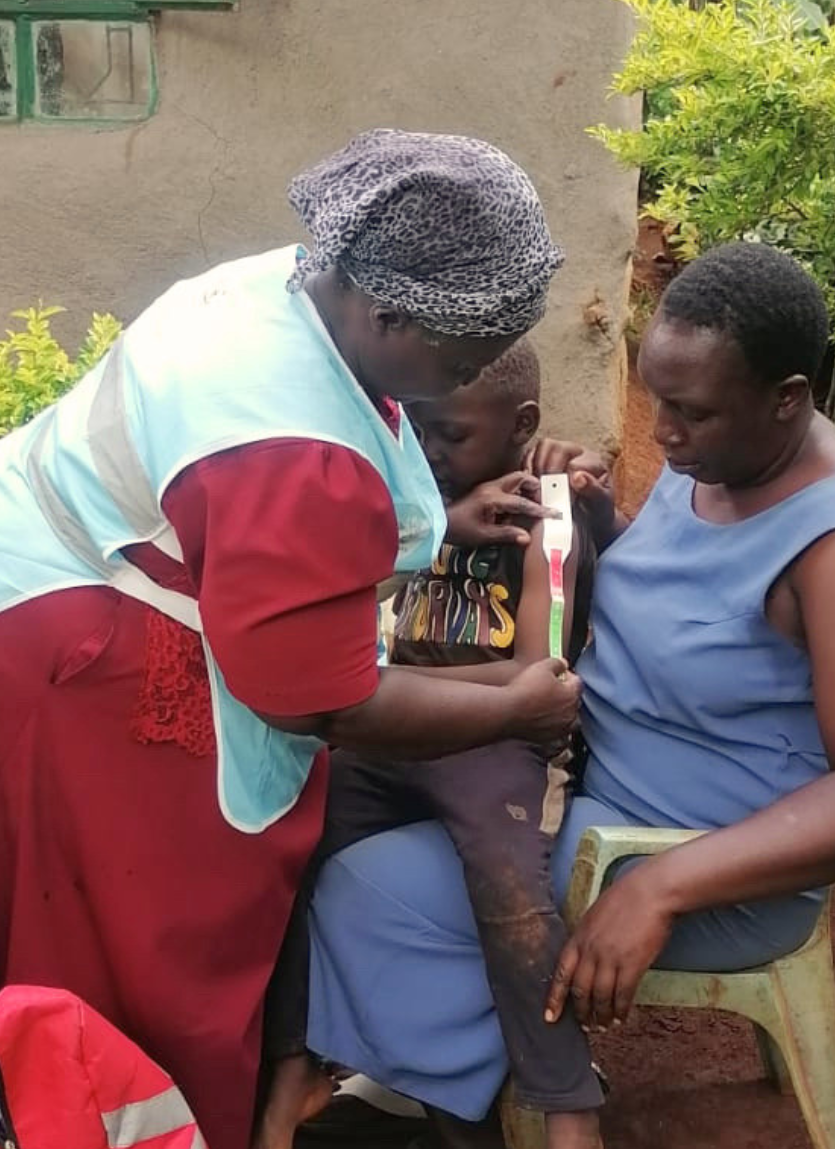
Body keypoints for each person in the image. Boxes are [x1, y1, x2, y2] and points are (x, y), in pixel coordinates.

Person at [0, 130, 583, 1149]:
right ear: (385, 309)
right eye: (464, 354)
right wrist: (516, 706)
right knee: (111, 944)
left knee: (9, 915)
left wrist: (440, 526)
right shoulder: (293, 456)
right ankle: (48, 1115)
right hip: (43, 650)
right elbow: (321, 701)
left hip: (1, 574)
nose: (471, 374)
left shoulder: (285, 286)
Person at [302, 242, 835, 1149]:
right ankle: (469, 1057)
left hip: (703, 857)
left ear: (787, 398)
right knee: (358, 797)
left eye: (689, 412)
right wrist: (598, 520)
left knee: (369, 888)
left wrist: (664, 886)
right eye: (655, 401)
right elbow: (694, 598)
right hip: (597, 794)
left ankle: (498, 1095)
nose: (664, 434)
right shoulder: (724, 459)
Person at [256, 341, 602, 1149]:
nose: (431, 451)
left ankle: (565, 1102)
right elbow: (338, 596)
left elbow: (537, 678)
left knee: (511, 895)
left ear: (521, 426)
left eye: (451, 435)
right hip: (397, 733)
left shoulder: (547, 508)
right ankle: (292, 1069)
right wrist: (436, 524)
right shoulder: (410, 494)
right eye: (417, 429)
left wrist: (397, 693)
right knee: (287, 843)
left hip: (499, 746)